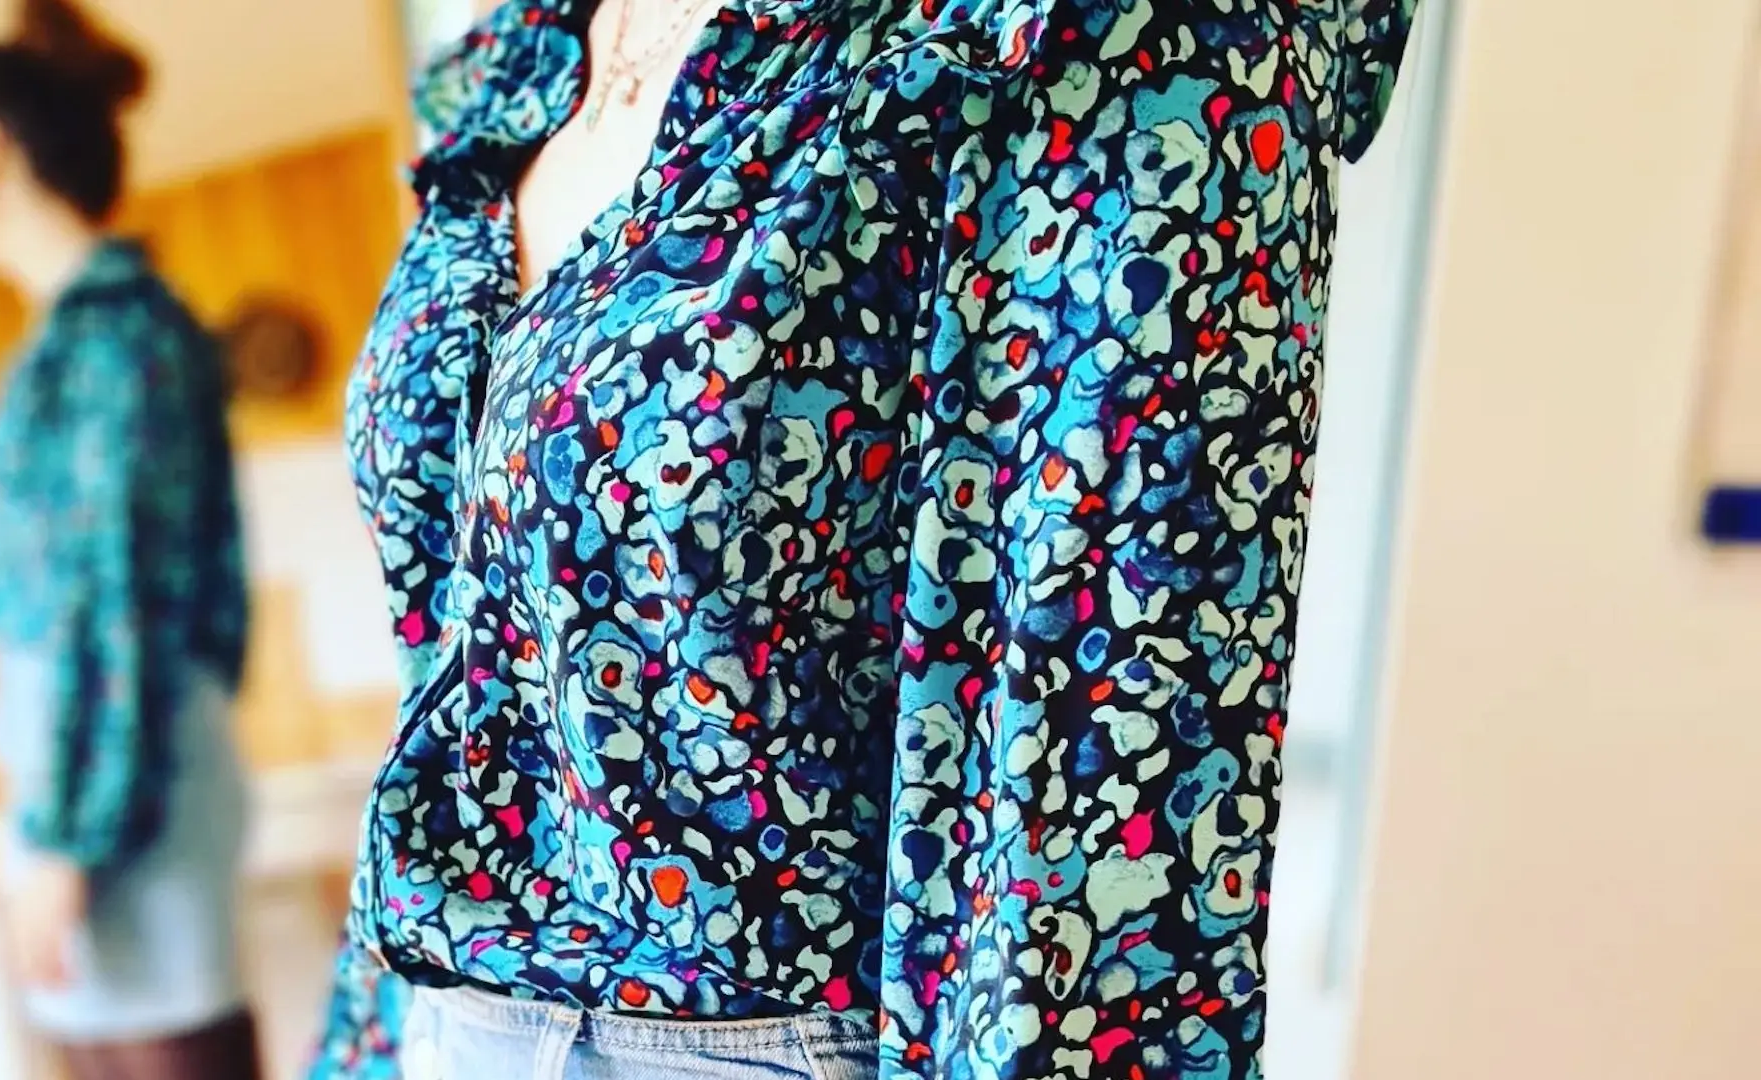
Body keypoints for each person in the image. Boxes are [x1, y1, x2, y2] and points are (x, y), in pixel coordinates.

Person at [331, 0, 1423, 1077]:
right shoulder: (523, 59)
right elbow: (450, 678)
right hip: (438, 1018)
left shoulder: (1085, 39)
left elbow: (1095, 790)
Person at [0, 1, 259, 1077]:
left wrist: (66, 839)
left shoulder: (121, 341)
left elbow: (116, 606)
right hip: (83, 801)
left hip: (126, 811)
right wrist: (22, 834)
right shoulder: (68, 347)